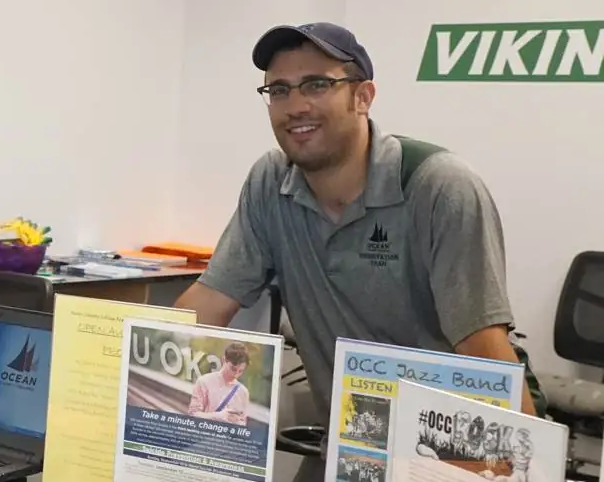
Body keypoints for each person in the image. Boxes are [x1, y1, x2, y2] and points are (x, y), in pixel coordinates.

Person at [174, 22, 539, 420]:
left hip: (444, 442)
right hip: (350, 440)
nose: (295, 106)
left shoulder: (439, 187)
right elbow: (207, 304)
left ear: (363, 97)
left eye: (316, 85)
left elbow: (484, 352)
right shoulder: (270, 182)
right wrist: (121, 369)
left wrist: (522, 462)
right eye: (279, 90)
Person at [187, 342, 252, 426]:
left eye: (240, 371)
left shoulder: (243, 392)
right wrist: (219, 416)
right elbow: (192, 415)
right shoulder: (204, 382)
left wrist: (237, 422)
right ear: (224, 360)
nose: (236, 375)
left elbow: (243, 423)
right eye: (233, 369)